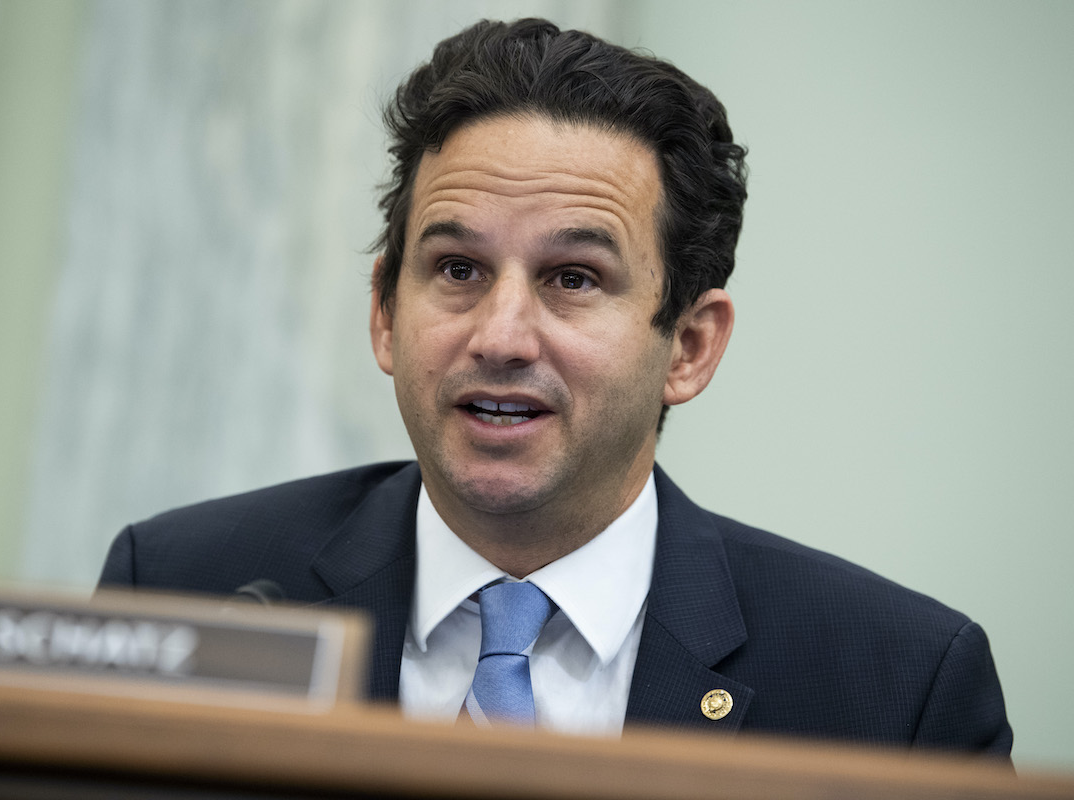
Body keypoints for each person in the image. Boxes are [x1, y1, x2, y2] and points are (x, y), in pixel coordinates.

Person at [99, 18, 1011, 754]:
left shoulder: (897, 689)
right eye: (457, 269)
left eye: (573, 278)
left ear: (690, 346)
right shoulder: (185, 592)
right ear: (384, 312)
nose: (499, 337)